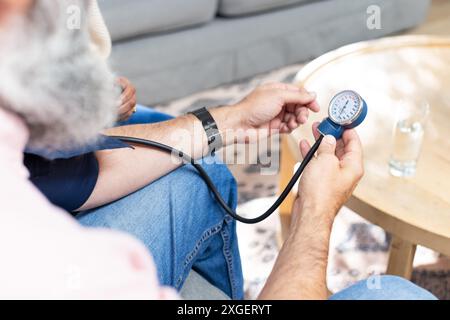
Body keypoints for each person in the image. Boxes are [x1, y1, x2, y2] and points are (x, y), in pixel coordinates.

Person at [0, 0, 436, 300]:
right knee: (402, 292)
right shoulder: (88, 269)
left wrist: (230, 119)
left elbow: (58, 177)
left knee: (193, 169)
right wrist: (314, 214)